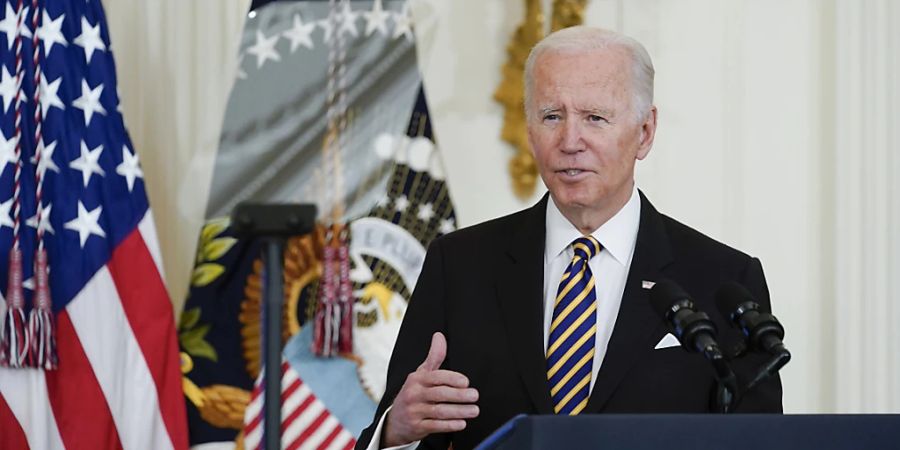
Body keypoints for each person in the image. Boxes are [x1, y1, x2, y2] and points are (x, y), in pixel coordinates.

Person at [356, 26, 782, 450]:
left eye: (595, 118)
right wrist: (396, 432)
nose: (570, 141)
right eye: (551, 117)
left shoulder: (724, 279)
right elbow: (403, 424)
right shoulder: (460, 265)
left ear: (645, 132)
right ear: (529, 130)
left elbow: (763, 441)